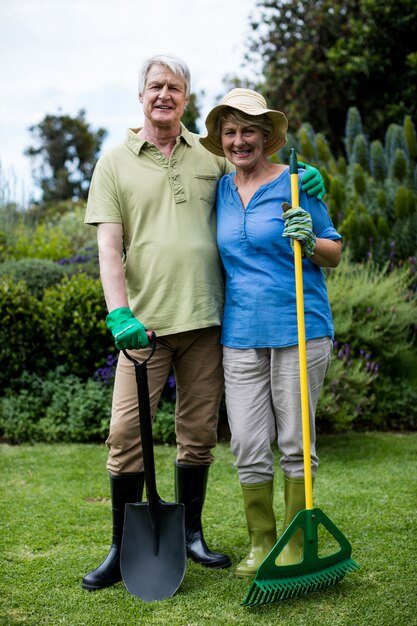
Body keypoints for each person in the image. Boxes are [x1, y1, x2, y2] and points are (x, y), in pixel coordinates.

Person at [82, 55, 326, 591]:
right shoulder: (113, 162)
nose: (164, 94)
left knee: (196, 438)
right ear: (140, 95)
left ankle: (191, 535)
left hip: (210, 323)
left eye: (174, 87)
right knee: (125, 434)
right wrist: (118, 312)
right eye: (155, 86)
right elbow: (108, 247)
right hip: (142, 329)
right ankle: (123, 547)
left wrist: (301, 180)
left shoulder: (208, 155)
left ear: (186, 99)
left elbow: (253, 174)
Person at [199, 88, 342, 578]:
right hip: (240, 334)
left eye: (249, 132)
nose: (240, 141)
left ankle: (297, 541)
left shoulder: (299, 184)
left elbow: (334, 252)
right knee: (247, 443)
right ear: (221, 139)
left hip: (300, 326)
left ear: (267, 137)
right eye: (231, 132)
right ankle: (261, 542)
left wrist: (309, 238)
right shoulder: (219, 189)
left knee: (296, 442)